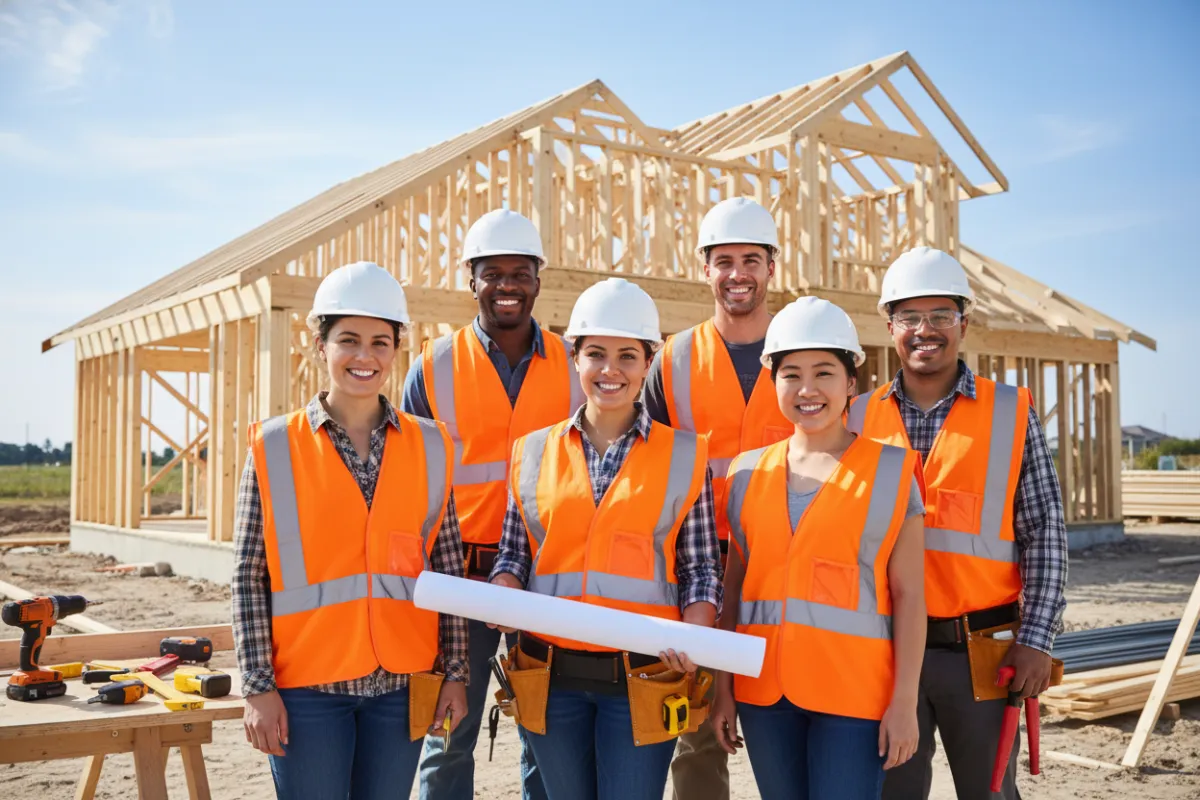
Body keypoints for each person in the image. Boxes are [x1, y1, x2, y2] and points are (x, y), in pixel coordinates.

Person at [232, 261, 469, 799]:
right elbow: (248, 575)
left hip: (400, 684)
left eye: (380, 342)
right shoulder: (273, 448)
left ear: (396, 349)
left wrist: (455, 672)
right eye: (349, 340)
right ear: (320, 345)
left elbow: (447, 568)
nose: (365, 356)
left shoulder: (432, 446)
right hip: (307, 688)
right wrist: (257, 687)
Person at [487, 277, 724, 800]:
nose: (610, 370)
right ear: (575, 358)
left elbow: (701, 570)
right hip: (550, 673)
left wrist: (696, 634)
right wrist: (501, 586)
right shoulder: (531, 451)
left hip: (644, 676)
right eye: (596, 353)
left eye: (627, 356)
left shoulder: (685, 456)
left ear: (647, 363)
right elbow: (514, 553)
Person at [845, 247, 1068, 800]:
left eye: (941, 315)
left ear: (964, 322)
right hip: (883, 654)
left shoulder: (1011, 411)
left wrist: (1037, 639)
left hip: (983, 652)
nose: (926, 330)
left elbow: (1046, 532)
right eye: (910, 317)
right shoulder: (855, 418)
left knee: (989, 794)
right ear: (889, 325)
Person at [708, 296, 927, 800]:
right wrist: (723, 690)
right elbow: (734, 592)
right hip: (765, 694)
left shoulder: (892, 473)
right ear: (774, 382)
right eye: (792, 375)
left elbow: (911, 597)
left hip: (854, 695)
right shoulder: (744, 472)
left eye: (824, 373)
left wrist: (904, 702)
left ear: (852, 381)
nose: (808, 390)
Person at [403, 209, 577, 800]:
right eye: (493, 272)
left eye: (520, 272)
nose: (508, 285)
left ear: (537, 279)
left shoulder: (578, 368)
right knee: (448, 734)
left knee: (541, 730)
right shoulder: (432, 367)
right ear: (471, 279)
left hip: (547, 581)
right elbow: (407, 480)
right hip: (460, 579)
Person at [642, 196, 793, 800]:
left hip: (784, 574)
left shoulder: (802, 353)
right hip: (699, 575)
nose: (738, 274)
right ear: (704, 268)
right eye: (724, 260)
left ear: (771, 267)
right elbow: (647, 466)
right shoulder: (672, 360)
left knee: (790, 718)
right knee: (698, 737)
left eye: (751, 260)